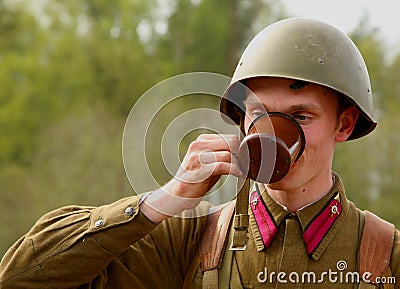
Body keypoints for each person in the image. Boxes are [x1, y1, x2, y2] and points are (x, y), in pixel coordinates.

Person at [0, 17, 399, 289]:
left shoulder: (385, 255)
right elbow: (19, 277)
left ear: (343, 125)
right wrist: (162, 201)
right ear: (242, 121)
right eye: (259, 113)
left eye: (301, 116)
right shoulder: (192, 239)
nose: (274, 134)